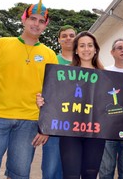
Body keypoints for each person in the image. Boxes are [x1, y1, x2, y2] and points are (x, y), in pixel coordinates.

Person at [0, 0, 58, 179]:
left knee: (19, 174)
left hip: (30, 123)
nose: (36, 24)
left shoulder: (50, 55)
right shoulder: (2, 43)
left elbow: (54, 94)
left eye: (42, 21)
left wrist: (45, 127)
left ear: (46, 25)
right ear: (23, 19)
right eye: (33, 18)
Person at [37, 31, 123, 179]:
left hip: (96, 135)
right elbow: (54, 100)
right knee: (70, 174)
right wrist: (43, 102)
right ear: (76, 50)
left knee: (90, 174)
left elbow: (114, 105)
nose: (86, 49)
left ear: (95, 49)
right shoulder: (63, 74)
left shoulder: (107, 77)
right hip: (69, 133)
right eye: (82, 46)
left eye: (90, 45)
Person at [99, 38, 123, 179]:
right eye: (119, 48)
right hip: (108, 128)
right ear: (112, 52)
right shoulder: (104, 72)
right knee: (106, 170)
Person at [42, 25, 77, 179]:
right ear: (59, 40)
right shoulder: (52, 60)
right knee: (51, 167)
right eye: (64, 36)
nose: (68, 38)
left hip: (77, 122)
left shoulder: (84, 61)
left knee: (71, 168)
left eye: (71, 35)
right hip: (55, 121)